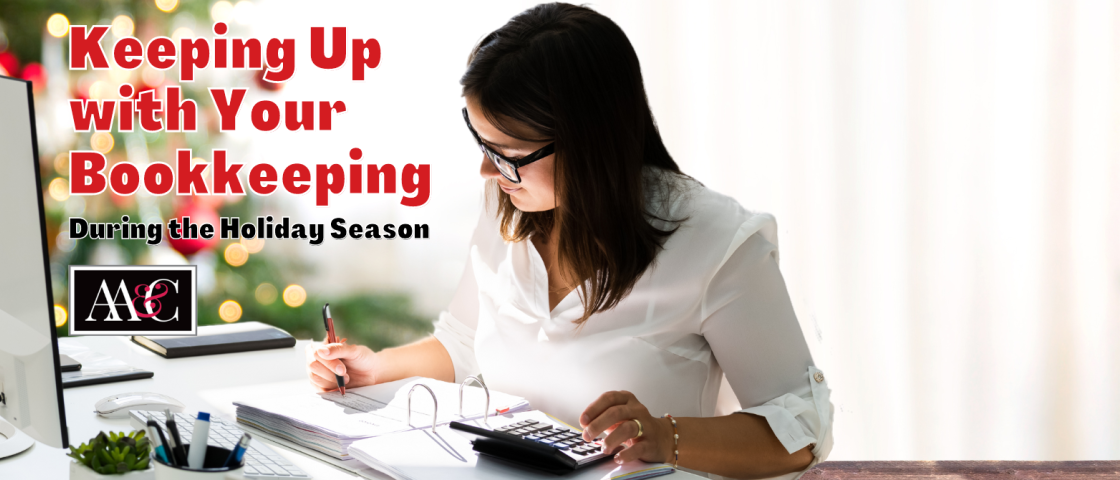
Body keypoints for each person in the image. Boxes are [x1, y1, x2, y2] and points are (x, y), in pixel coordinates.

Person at [306, 3, 833, 479]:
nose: (488, 170)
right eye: (481, 141)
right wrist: (376, 369)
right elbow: (462, 343)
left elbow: (802, 429)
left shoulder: (719, 244)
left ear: (589, 143)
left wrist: (664, 437)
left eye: (509, 151)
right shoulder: (510, 204)